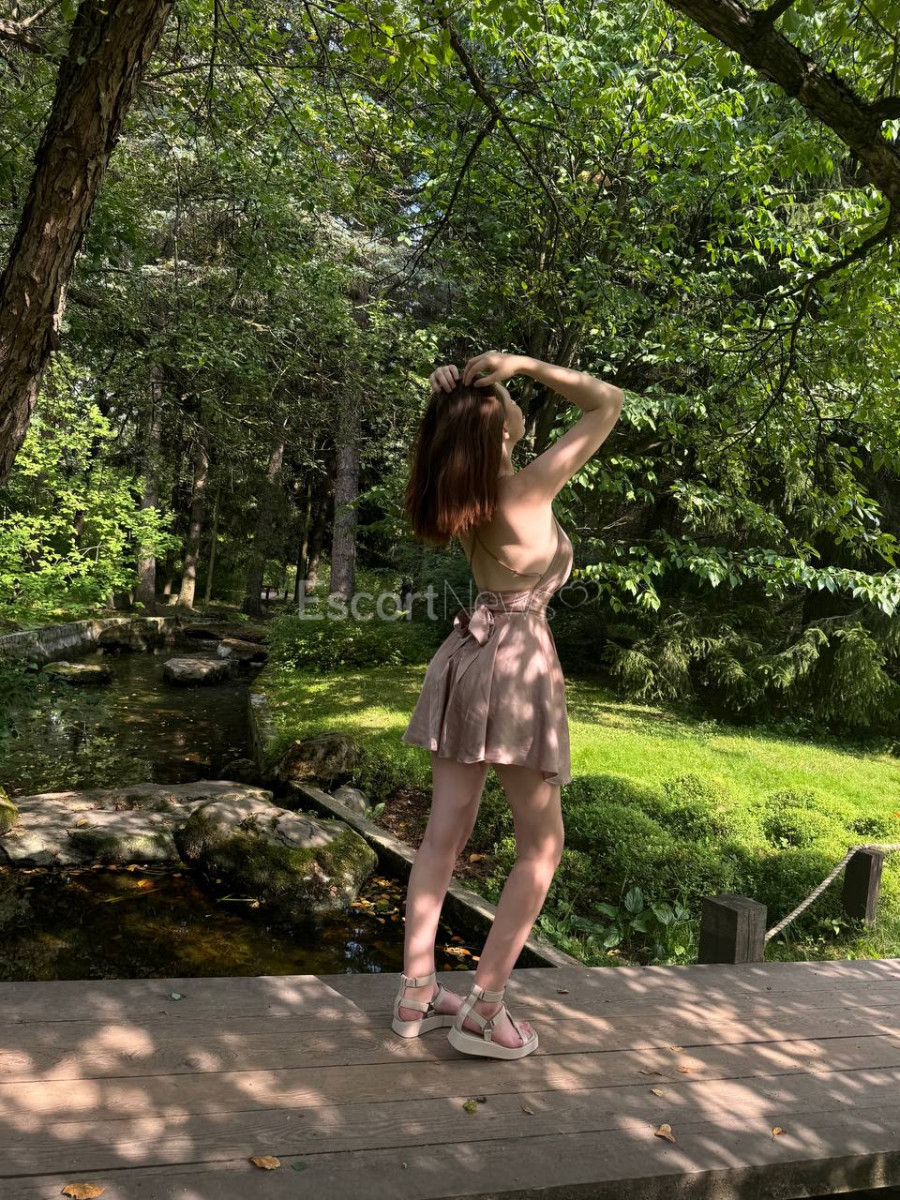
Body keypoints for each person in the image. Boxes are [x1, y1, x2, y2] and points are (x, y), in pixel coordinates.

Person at [393, 350, 623, 1060]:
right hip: (516, 668)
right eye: (507, 400)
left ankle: (417, 991)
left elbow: (458, 438)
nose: (518, 402)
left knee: (443, 834)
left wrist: (449, 401)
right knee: (542, 847)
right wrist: (523, 364)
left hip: (466, 657)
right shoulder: (524, 490)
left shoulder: (462, 495)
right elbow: (608, 401)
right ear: (499, 428)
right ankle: (485, 1009)